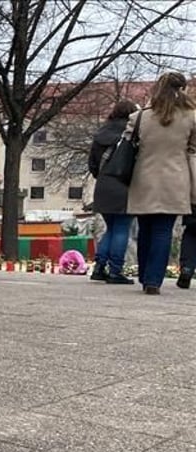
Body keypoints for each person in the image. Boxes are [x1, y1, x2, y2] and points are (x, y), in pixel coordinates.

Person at [123, 72, 196, 295]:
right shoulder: (191, 117)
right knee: (163, 230)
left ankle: (145, 275)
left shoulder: (140, 117)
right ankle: (154, 280)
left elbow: (128, 143)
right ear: (183, 89)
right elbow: (193, 151)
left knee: (145, 228)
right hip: (175, 179)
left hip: (144, 178)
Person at [88, 100, 137, 284]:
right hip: (123, 184)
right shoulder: (131, 134)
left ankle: (99, 267)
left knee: (111, 228)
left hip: (103, 184)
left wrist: (101, 176)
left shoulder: (101, 132)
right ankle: (116, 270)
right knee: (122, 228)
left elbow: (92, 162)